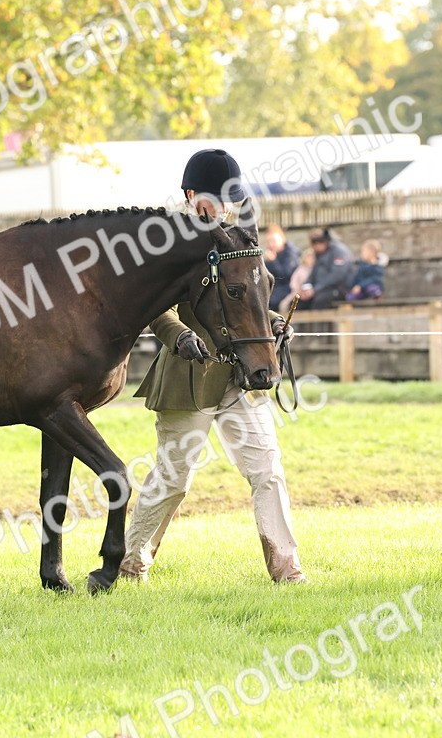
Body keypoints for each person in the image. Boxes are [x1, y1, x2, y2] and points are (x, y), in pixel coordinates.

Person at [120, 148, 305, 585]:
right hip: (189, 374)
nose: (225, 206)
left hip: (241, 375)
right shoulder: (166, 242)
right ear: (190, 195)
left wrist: (276, 325)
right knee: (174, 479)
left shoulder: (241, 237)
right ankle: (132, 563)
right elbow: (157, 309)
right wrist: (177, 335)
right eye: (217, 198)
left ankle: (286, 566)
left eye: (229, 198)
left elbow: (252, 301)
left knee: (267, 470)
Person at [297, 227, 355, 310]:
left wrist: (315, 290)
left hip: (338, 289)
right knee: (298, 302)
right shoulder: (319, 254)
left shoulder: (339, 252)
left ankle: (319, 323)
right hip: (321, 289)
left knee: (319, 301)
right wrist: (306, 287)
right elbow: (313, 274)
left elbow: (337, 276)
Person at [263, 224, 299, 310]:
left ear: (282, 239)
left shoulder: (291, 253)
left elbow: (285, 276)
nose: (271, 244)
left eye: (273, 241)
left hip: (288, 288)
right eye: (268, 242)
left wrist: (273, 262)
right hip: (274, 288)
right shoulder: (271, 254)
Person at [280, 248, 314, 312]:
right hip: (297, 291)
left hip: (309, 292)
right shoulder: (300, 269)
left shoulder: (315, 270)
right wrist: (296, 289)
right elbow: (293, 281)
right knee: (285, 303)